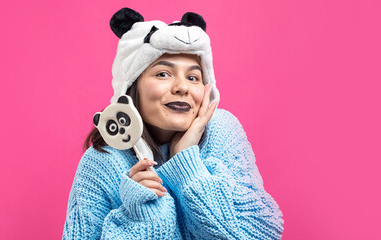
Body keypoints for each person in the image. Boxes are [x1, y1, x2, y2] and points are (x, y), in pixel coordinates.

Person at [62, 8, 284, 239]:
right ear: (131, 87)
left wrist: (187, 165)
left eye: (192, 77)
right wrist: (143, 214)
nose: (182, 87)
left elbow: (260, 234)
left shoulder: (222, 131)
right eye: (163, 74)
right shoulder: (102, 163)